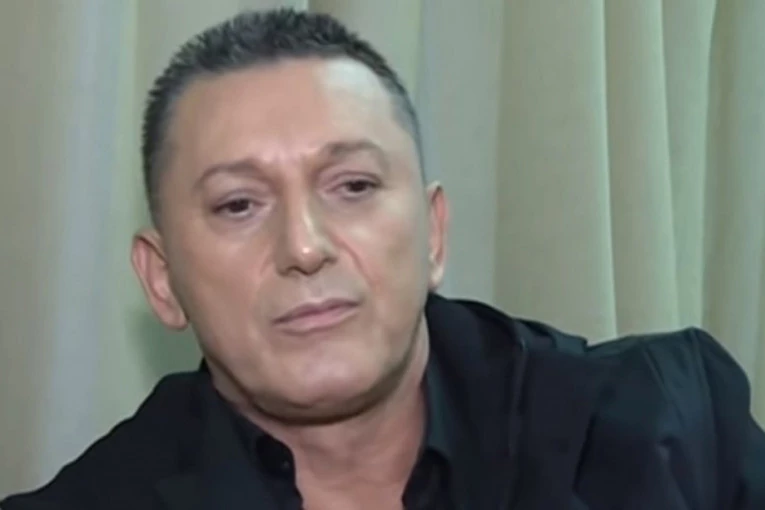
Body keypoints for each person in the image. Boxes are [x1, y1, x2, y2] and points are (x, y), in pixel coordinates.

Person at [3, 7, 765, 510]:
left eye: (353, 186)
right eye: (238, 205)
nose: (304, 247)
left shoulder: (671, 435)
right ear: (162, 280)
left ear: (432, 234)